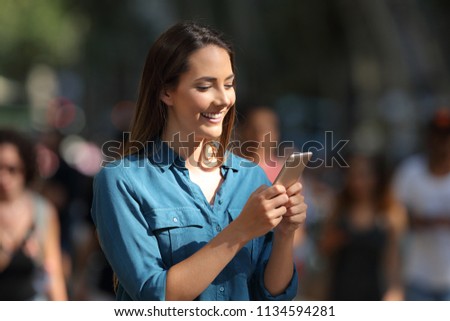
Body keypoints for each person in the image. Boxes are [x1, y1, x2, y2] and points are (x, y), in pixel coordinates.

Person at [91, 21, 307, 301]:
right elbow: (153, 295)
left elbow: (272, 297)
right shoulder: (122, 181)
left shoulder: (251, 177)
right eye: (205, 86)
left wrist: (284, 235)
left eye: (229, 85)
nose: (223, 99)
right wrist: (240, 231)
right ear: (166, 91)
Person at [320, 154, 406, 300]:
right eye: (353, 175)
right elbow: (323, 250)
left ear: (377, 177)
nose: (358, 182)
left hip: (375, 292)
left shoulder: (390, 213)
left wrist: (394, 291)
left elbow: (394, 259)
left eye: (364, 175)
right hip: (339, 290)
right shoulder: (338, 209)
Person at [0, 128, 67, 300]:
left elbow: (54, 274)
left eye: (12, 169)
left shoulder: (42, 211)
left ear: (25, 168)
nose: (4, 177)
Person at [393, 107, 450, 301]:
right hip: (417, 276)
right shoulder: (410, 172)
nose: (442, 142)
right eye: (438, 135)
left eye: (446, 136)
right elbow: (395, 221)